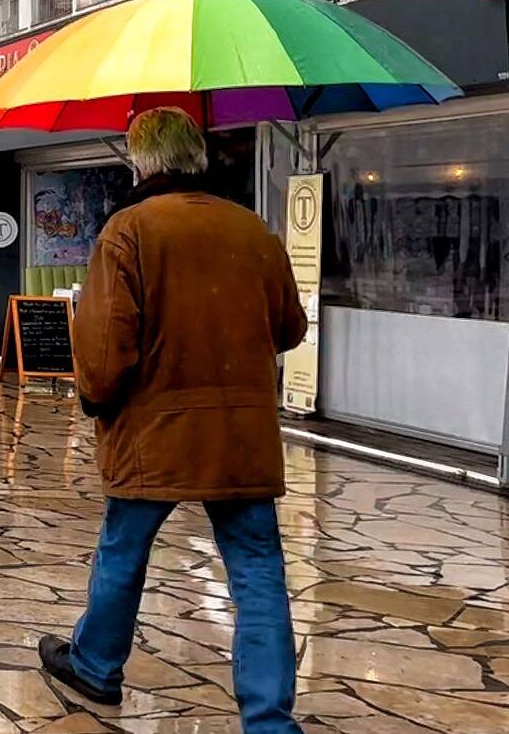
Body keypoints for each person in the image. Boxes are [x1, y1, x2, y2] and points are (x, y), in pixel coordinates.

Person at [39, 107, 308, 734]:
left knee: (124, 550)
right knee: (258, 571)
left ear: (141, 162)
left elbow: (105, 348)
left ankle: (97, 665)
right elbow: (290, 328)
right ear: (198, 158)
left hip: (153, 432)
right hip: (240, 436)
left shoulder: (129, 231)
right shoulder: (252, 229)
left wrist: (96, 400)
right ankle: (270, 719)